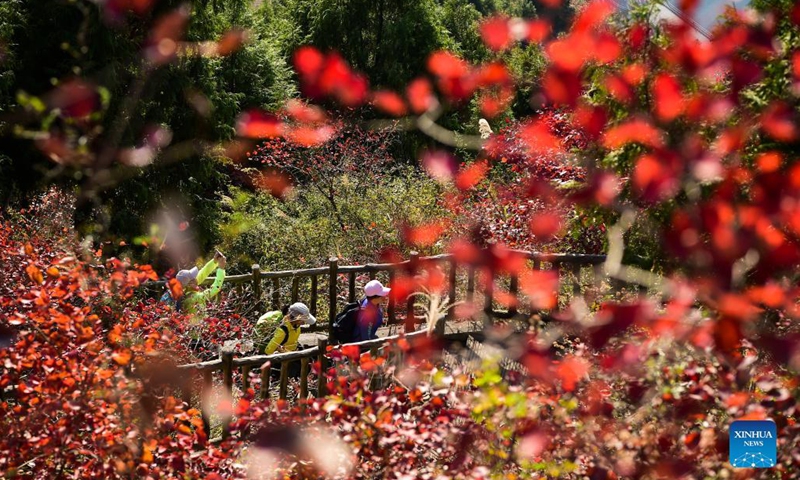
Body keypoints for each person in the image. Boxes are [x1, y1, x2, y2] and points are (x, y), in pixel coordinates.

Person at [160, 250, 226, 313]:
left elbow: (203, 273)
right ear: (190, 284)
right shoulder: (195, 297)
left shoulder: (183, 291)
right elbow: (215, 289)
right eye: (194, 278)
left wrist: (214, 261)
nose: (196, 278)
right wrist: (221, 269)